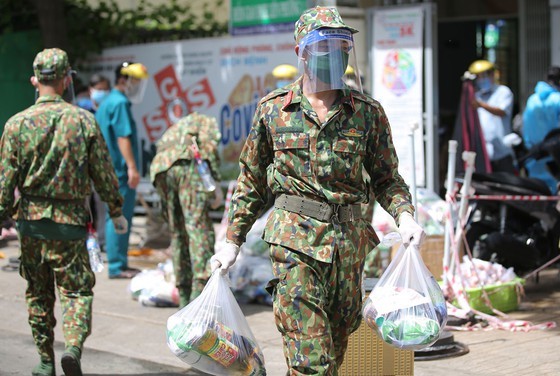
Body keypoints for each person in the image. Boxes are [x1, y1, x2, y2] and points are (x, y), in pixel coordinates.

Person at [211, 6, 425, 374]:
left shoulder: (367, 112)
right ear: (302, 53)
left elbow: (387, 177)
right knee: (310, 359)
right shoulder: (274, 110)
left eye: (343, 47)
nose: (336, 56)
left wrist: (404, 215)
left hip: (348, 246)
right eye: (326, 47)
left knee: (335, 350)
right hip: (294, 242)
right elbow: (251, 179)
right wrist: (232, 240)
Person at [0, 48, 127, 376]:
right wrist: (116, 210)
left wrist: (2, 215)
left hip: (31, 225)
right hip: (71, 225)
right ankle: (72, 347)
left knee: (38, 294)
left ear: (34, 81)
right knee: (76, 291)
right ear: (67, 79)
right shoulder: (83, 120)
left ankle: (45, 361)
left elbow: (5, 181)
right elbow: (103, 171)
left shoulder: (16, 124)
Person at [149, 112, 223, 307]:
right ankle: (200, 290)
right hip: (188, 167)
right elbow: (209, 150)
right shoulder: (207, 121)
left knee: (178, 232)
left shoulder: (176, 129)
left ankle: (183, 294)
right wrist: (216, 185)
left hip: (161, 171)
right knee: (199, 230)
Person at [95, 61, 149, 279]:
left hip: (109, 170)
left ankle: (119, 263)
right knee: (119, 216)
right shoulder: (119, 103)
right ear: (123, 79)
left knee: (114, 215)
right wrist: (132, 167)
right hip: (119, 171)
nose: (136, 85)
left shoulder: (109, 102)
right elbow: (122, 136)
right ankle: (118, 265)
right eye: (135, 81)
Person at [468, 59, 517, 173]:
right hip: (483, 152)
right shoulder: (476, 96)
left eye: (484, 75)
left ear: (492, 75)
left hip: (502, 151)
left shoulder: (503, 92)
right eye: (478, 77)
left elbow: (502, 111)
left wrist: (481, 105)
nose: (482, 79)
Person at [522, 66, 560, 193]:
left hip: (534, 155)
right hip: (555, 158)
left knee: (538, 195)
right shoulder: (558, 100)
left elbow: (526, 126)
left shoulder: (532, 99)